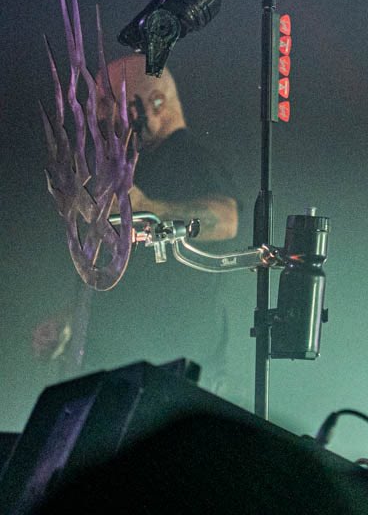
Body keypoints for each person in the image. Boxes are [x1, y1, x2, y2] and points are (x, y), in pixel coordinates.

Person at [34, 55, 241, 392]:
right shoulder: (133, 163)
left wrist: (148, 208)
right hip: (117, 367)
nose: (98, 115)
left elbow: (225, 220)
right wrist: (74, 320)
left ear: (156, 102)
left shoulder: (190, 157)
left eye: (107, 102)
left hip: (167, 373)